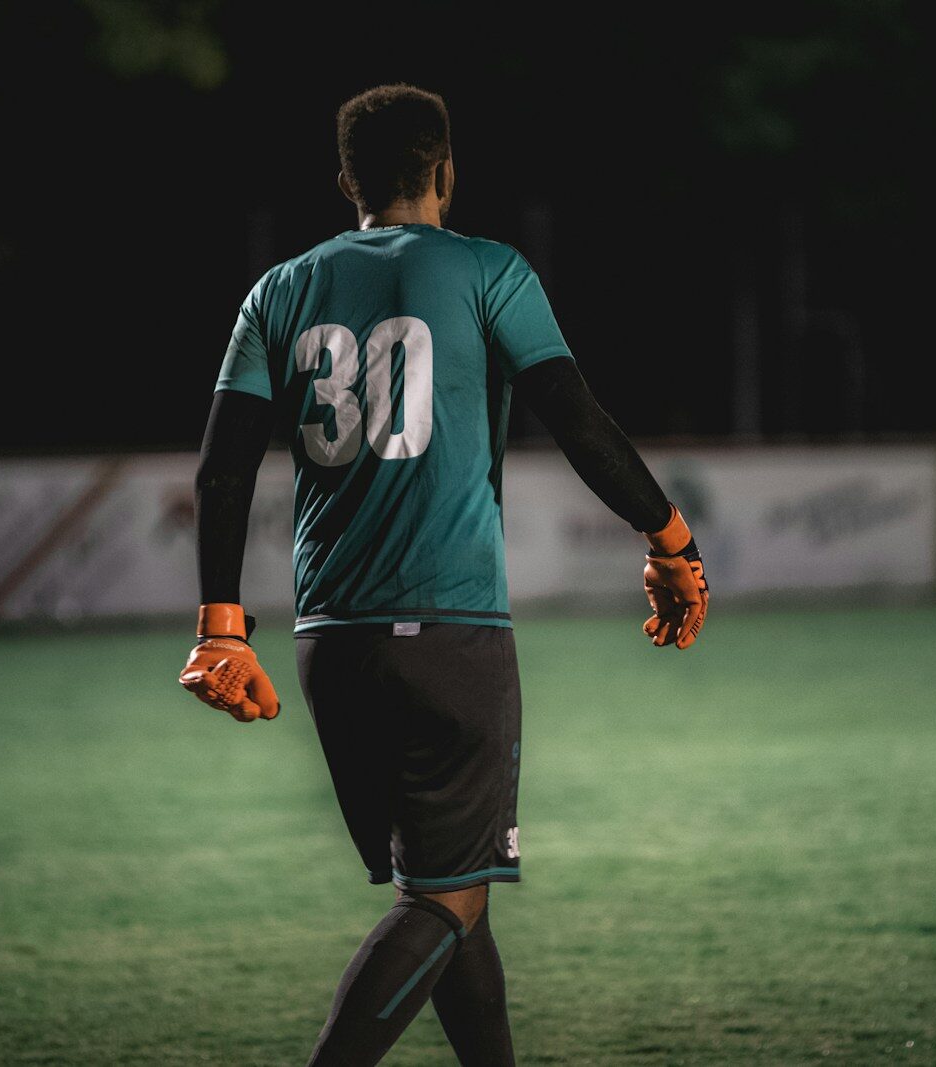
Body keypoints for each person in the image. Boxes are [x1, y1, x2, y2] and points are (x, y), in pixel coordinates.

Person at [177, 83, 708, 1067]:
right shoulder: (488, 271)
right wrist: (670, 540)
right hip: (453, 633)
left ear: (345, 181)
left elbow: (222, 467)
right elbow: (577, 420)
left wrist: (220, 626)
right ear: (446, 171)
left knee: (447, 889)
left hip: (328, 641)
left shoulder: (277, 290)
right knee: (446, 896)